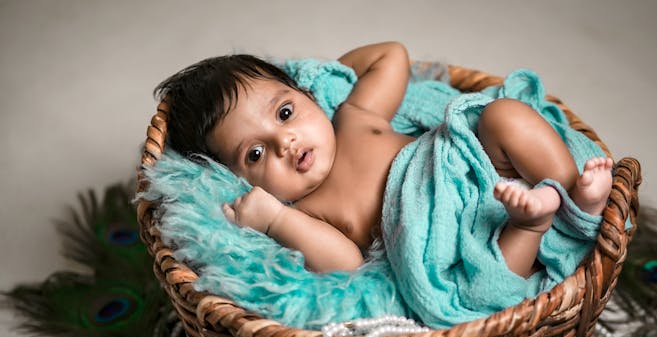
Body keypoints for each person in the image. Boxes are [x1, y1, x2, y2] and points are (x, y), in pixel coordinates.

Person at [156, 41, 613, 279]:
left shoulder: (354, 115)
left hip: (471, 167)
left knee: (502, 116)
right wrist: (275, 220)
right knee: (487, 274)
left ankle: (576, 202)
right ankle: (533, 225)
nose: (285, 142)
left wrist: (326, 73)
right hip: (451, 239)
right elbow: (347, 265)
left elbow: (390, 55)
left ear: (309, 96)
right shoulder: (306, 213)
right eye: (254, 153)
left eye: (286, 112)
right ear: (236, 178)